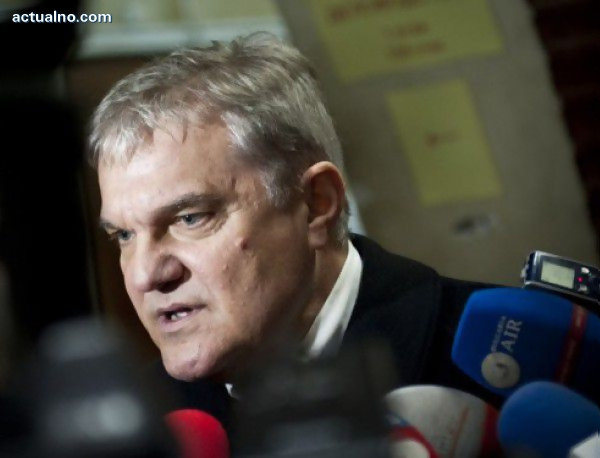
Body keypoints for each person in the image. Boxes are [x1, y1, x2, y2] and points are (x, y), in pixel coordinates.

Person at [88, 32, 500, 427]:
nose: (145, 275)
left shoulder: (510, 363)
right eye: (124, 235)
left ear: (316, 204)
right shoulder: (137, 421)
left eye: (190, 218)